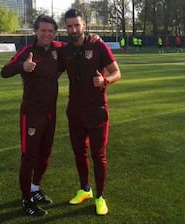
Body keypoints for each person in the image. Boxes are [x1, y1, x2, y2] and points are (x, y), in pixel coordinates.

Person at [0, 15, 101, 217]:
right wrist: (22, 66)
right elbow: (4, 71)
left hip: (50, 113)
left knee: (45, 154)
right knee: (29, 157)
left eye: (50, 31)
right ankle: (26, 198)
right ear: (35, 32)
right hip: (31, 114)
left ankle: (35, 189)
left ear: (54, 33)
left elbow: (77, 44)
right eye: (43, 30)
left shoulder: (58, 49)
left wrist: (92, 38)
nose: (46, 34)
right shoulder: (27, 51)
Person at [58, 8, 122, 216]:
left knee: (98, 155)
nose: (74, 29)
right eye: (69, 26)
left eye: (77, 25)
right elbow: (51, 62)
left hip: (97, 111)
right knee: (79, 153)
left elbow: (116, 72)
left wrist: (105, 81)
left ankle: (100, 196)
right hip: (74, 112)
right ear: (66, 28)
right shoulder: (65, 50)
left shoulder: (98, 45)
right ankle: (85, 189)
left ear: (84, 25)